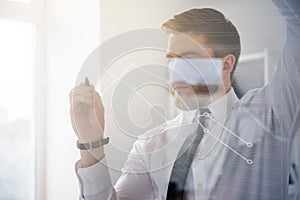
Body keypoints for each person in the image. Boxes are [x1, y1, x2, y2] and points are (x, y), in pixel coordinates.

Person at [69, 0, 300, 199]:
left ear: (226, 65)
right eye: (171, 60)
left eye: (188, 59)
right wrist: (91, 143)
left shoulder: (268, 114)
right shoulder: (151, 144)